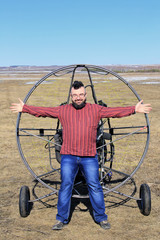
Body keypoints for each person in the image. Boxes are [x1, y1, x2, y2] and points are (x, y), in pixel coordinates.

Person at [10, 81, 152, 230]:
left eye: (81, 95)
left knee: (95, 186)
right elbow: (44, 111)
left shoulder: (95, 110)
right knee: (65, 186)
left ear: (86, 95)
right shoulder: (63, 110)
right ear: (71, 96)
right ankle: (61, 219)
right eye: (75, 95)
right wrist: (25, 108)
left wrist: (134, 109)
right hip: (68, 156)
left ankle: (101, 218)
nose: (78, 98)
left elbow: (114, 112)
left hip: (89, 156)